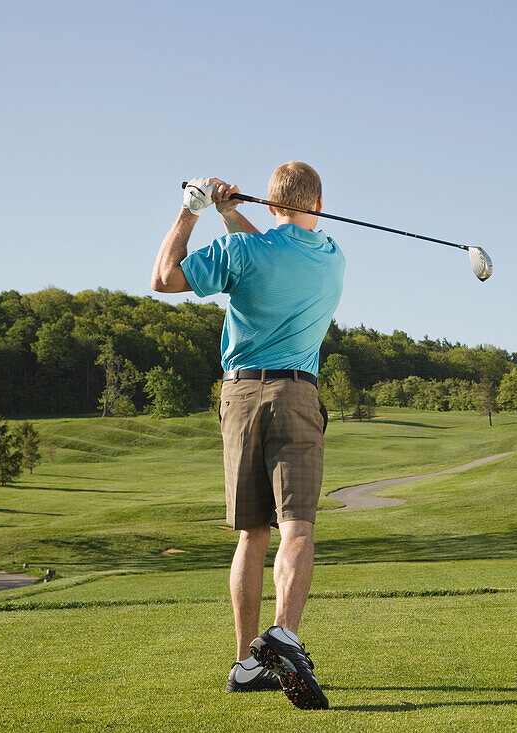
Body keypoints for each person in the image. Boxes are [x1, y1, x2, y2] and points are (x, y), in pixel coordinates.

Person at [150, 162, 344, 710]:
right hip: (299, 395)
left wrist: (194, 210)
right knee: (297, 526)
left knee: (251, 534)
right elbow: (274, 253)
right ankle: (282, 635)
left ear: (271, 204)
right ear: (320, 205)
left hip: (240, 396)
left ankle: (244, 664)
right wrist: (232, 212)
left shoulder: (240, 254)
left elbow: (164, 278)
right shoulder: (332, 256)